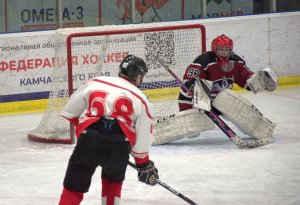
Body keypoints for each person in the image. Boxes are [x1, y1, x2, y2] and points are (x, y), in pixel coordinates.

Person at [58, 55, 159, 205]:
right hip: (119, 145)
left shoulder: (96, 82)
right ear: (138, 76)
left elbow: (70, 111)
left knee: (74, 187)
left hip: (88, 140)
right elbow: (143, 136)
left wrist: (86, 130)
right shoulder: (142, 99)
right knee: (112, 183)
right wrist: (142, 164)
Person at [177, 34, 278, 142]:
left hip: (222, 102)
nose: (224, 53)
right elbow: (189, 81)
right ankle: (189, 118)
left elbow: (247, 80)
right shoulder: (204, 60)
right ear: (214, 49)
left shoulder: (236, 62)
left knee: (234, 105)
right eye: (220, 49)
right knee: (186, 89)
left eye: (226, 50)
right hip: (202, 103)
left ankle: (258, 129)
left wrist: (261, 81)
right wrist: (199, 96)